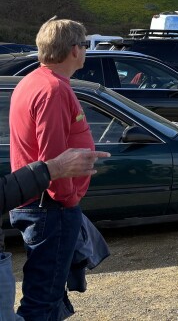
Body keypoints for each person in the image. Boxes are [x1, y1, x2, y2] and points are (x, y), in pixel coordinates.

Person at [9, 18, 100, 320]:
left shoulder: (34, 80)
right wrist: (70, 200)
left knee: (46, 293)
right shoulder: (52, 89)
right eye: (85, 44)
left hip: (42, 205)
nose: (86, 50)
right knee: (43, 300)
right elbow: (53, 160)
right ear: (74, 50)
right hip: (52, 208)